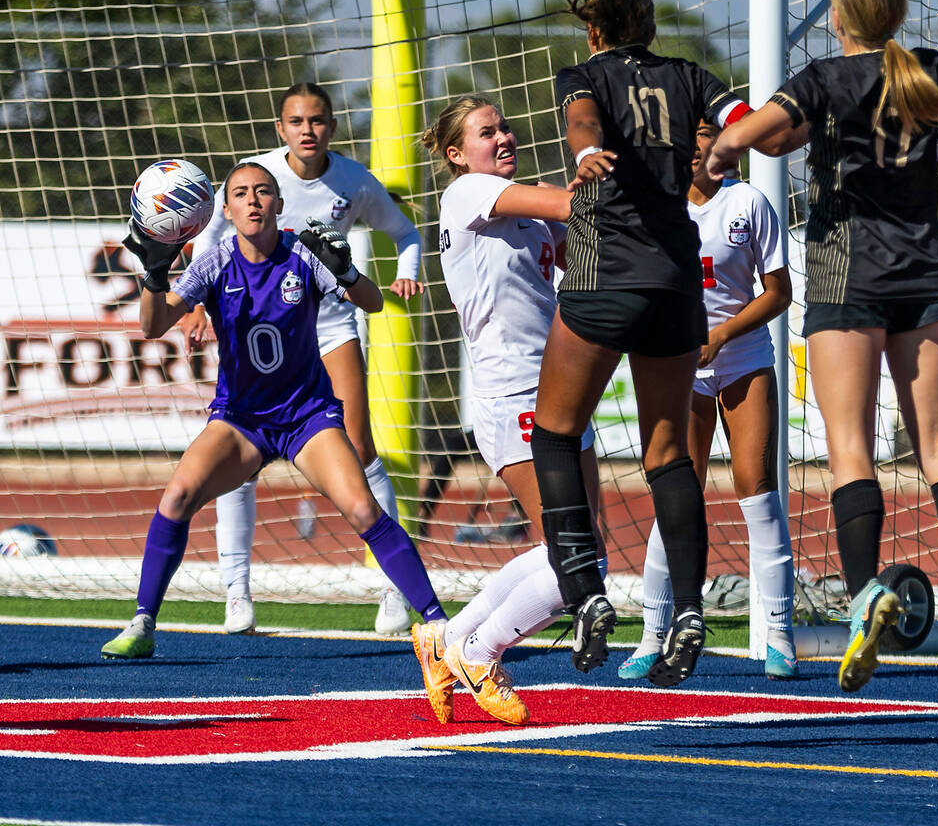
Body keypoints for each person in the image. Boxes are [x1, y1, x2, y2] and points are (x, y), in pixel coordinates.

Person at [707, 0, 938, 694]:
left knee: (850, 449)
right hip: (925, 279)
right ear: (897, 12)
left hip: (849, 281)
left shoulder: (823, 78)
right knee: (937, 444)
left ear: (841, 16)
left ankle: (863, 595)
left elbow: (746, 139)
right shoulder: (931, 69)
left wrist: (727, 144)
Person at [101, 161, 446, 659]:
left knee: (362, 507)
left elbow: (371, 303)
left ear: (280, 204)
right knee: (177, 495)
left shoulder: (305, 253)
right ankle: (143, 623)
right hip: (241, 420)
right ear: (225, 209)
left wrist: (347, 270)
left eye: (264, 192)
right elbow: (153, 326)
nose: (254, 200)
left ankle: (439, 623)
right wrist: (155, 274)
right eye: (241, 193)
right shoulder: (214, 261)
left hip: (306, 416)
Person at [527, 0, 753, 687]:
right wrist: (737, 142)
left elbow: (583, 121)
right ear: (650, 26)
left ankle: (585, 592)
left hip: (604, 273)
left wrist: (588, 152)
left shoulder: (583, 74)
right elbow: (745, 116)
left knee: (555, 433)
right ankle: (687, 608)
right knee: (669, 456)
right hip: (675, 283)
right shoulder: (691, 75)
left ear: (593, 30)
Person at [183, 82, 424, 636]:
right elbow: (212, 234)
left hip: (330, 326)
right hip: (261, 327)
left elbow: (404, 231)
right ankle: (236, 593)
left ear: (332, 127)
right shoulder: (257, 177)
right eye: (296, 121)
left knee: (359, 448)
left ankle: (393, 590)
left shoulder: (355, 182)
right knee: (236, 460)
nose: (307, 130)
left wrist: (406, 268)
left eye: (317, 120)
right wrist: (194, 302)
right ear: (280, 129)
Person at [410, 96, 605, 725]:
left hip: (559, 387)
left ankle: (449, 638)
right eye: (484, 131)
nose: (502, 136)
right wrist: (603, 165)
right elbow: (568, 201)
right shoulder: (468, 193)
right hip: (513, 393)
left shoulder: (523, 210)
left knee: (584, 547)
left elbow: (581, 250)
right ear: (456, 153)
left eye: (503, 126)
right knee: (574, 555)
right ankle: (479, 648)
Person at [620, 120, 797, 681]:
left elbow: (779, 292)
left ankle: (779, 637)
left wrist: (719, 336)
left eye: (706, 131)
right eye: (689, 133)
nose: (699, 143)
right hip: (680, 364)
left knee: (755, 486)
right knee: (678, 487)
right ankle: (653, 633)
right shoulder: (659, 204)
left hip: (741, 356)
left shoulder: (749, 202)